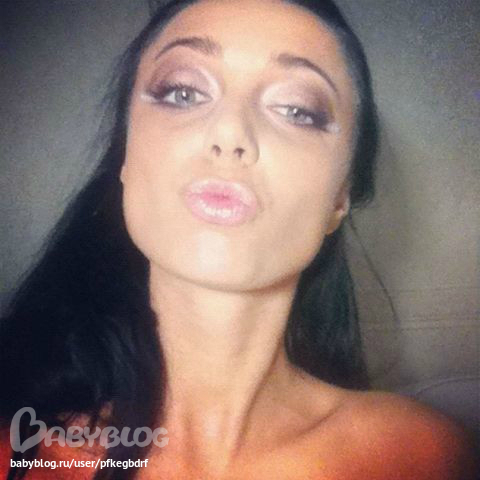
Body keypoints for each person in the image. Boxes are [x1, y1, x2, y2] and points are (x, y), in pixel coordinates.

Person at [0, 0, 477, 479]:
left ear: (339, 198)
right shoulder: (20, 455)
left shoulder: (421, 457)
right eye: (183, 92)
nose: (230, 132)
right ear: (126, 156)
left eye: (296, 110)